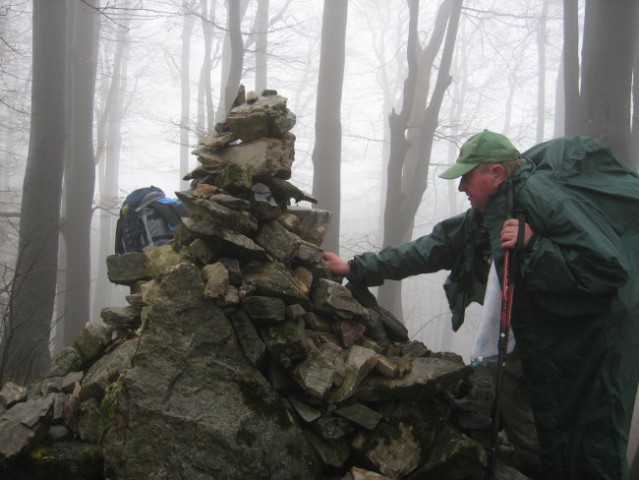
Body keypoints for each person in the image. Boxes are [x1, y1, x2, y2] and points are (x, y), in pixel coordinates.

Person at [323, 130, 639, 480]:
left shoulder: (542, 197)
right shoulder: (493, 208)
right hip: (554, 338)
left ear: (497, 174)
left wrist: (533, 247)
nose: (461, 188)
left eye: (467, 178)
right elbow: (436, 246)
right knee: (556, 438)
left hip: (599, 340)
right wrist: (356, 267)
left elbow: (606, 269)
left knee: (594, 444)